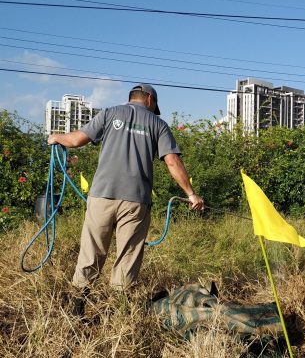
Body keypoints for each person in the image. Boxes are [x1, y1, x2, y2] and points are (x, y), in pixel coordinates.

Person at [48, 84, 203, 315]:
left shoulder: (109, 113)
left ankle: (77, 308)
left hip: (101, 196)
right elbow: (172, 161)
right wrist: (191, 194)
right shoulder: (157, 123)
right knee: (128, 255)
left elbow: (77, 139)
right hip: (135, 201)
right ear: (149, 100)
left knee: (92, 250)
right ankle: (118, 311)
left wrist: (56, 137)